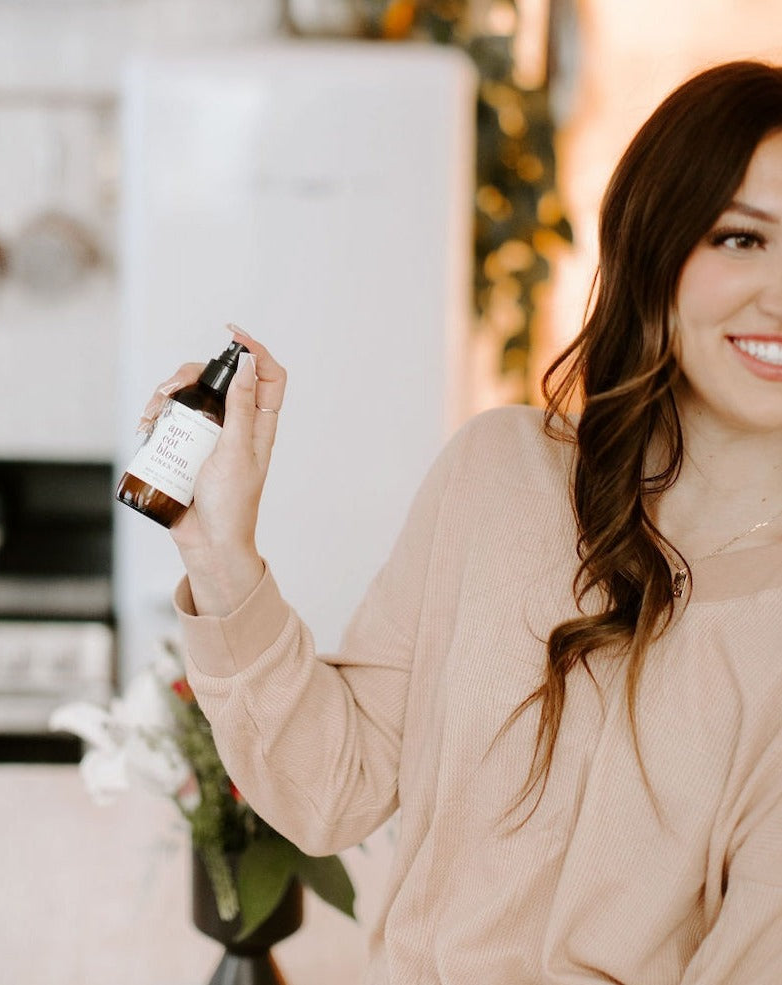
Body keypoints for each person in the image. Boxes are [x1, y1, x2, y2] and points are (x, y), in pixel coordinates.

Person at [141, 60, 782, 983]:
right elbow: (331, 789)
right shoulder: (499, 473)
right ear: (659, 244)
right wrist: (221, 553)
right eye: (739, 239)